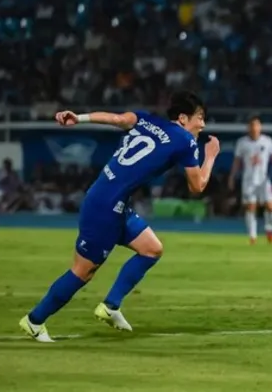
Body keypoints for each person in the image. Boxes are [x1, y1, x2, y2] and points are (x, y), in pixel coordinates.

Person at [19, 91, 220, 343]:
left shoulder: (146, 120)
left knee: (151, 249)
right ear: (182, 118)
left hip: (110, 199)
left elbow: (115, 119)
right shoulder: (186, 142)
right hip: (106, 206)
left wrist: (78, 118)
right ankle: (35, 320)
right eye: (199, 118)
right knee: (83, 272)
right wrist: (211, 155)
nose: (203, 124)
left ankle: (111, 306)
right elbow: (197, 187)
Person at [228, 117, 272, 244]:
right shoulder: (242, 143)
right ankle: (252, 236)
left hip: (264, 179)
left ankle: (269, 228)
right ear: (249, 128)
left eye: (256, 126)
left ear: (260, 127)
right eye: (252, 126)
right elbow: (237, 162)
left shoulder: (267, 141)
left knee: (271, 207)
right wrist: (232, 176)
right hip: (249, 181)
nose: (254, 128)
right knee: (250, 208)